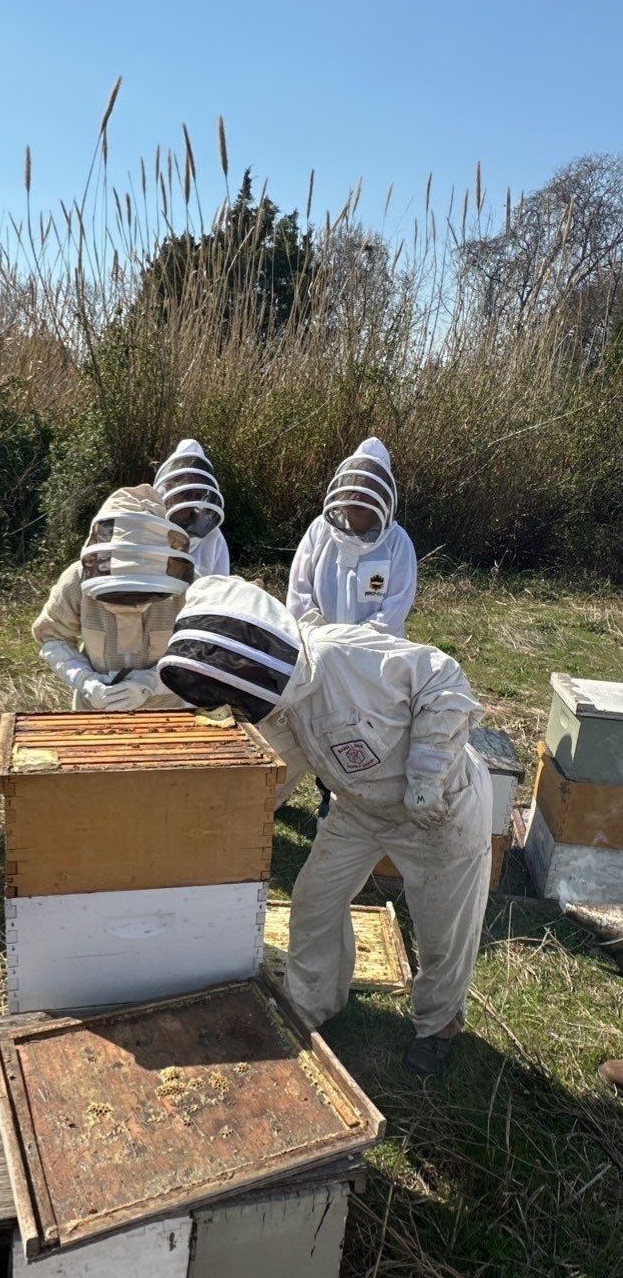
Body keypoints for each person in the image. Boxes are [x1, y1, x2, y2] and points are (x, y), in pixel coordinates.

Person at [156, 574, 491, 1080]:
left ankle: (439, 1026)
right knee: (314, 900)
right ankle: (312, 1005)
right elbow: (281, 770)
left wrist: (426, 771)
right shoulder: (279, 706)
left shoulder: (343, 653)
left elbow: (441, 679)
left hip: (439, 808)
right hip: (359, 808)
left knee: (442, 931)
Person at [287, 436, 418, 816]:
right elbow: (299, 591)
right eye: (355, 491)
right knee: (320, 725)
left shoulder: (397, 545)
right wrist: (317, 634)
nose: (359, 501)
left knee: (362, 729)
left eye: (368, 493)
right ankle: (326, 792)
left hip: (371, 661)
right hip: (319, 651)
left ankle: (350, 802)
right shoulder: (318, 532)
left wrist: (354, 646)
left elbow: (394, 609)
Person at [33, 485, 195, 711]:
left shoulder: (189, 587)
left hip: (169, 710)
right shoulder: (76, 580)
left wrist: (152, 682)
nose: (131, 600)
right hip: (96, 709)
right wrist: (85, 681)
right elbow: (53, 638)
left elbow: (202, 651)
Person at [152, 438, 231, 577]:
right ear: (169, 488)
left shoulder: (212, 535)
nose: (193, 502)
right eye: (186, 493)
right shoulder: (149, 524)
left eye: (198, 495)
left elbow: (220, 583)